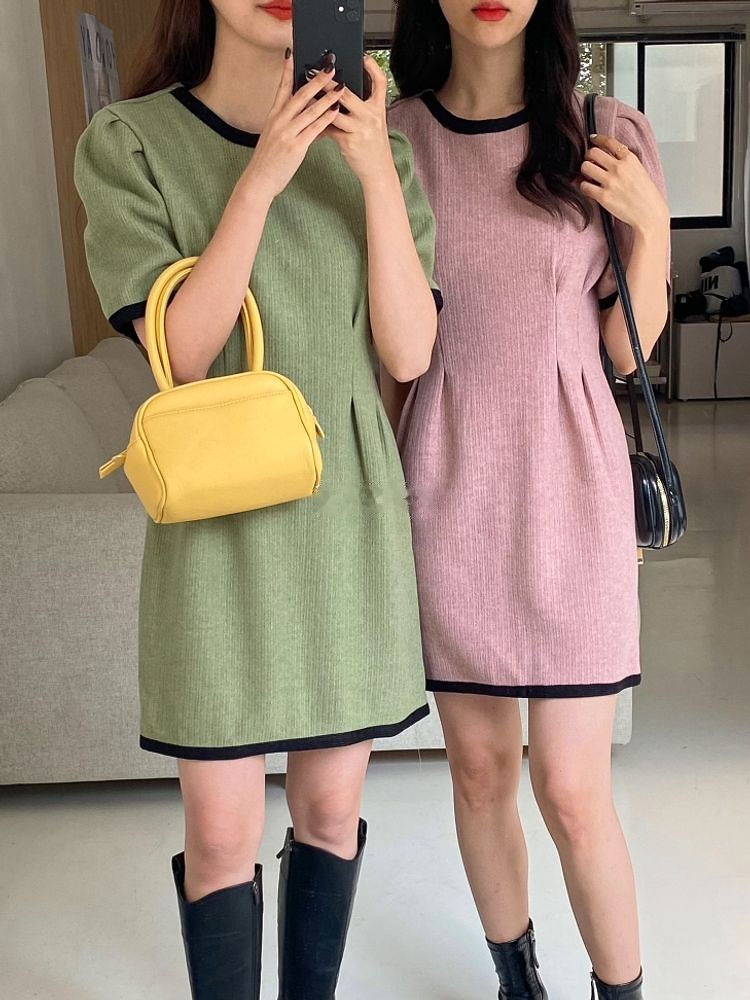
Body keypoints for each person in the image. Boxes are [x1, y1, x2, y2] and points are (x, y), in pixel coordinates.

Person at [75, 1, 441, 997]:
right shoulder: (130, 141)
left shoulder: (380, 149)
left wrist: (371, 170)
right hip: (217, 522)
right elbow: (182, 354)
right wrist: (264, 174)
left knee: (330, 812)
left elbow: (409, 350)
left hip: (347, 512)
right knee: (222, 830)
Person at [386, 1, 670, 998]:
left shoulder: (604, 130)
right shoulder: (397, 136)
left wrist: (652, 228)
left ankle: (620, 989)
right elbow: (392, 343)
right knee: (478, 770)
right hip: (447, 481)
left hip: (572, 485)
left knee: (573, 789)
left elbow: (626, 348)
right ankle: (519, 982)